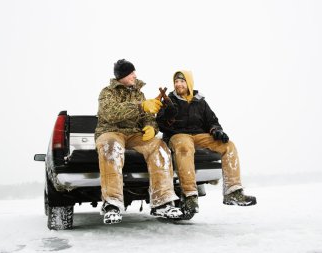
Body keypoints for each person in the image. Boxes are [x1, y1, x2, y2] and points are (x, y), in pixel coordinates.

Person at [156, 70, 257, 217]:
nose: (178, 84)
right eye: (176, 82)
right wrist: (167, 114)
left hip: (199, 135)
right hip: (178, 135)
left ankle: (233, 192)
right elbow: (160, 123)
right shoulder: (169, 100)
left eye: (182, 81)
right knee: (185, 147)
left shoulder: (200, 101)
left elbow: (212, 121)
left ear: (189, 83)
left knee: (229, 146)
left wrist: (216, 130)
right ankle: (190, 195)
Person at [95, 59, 182, 224]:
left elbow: (148, 116)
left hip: (134, 135)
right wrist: (140, 107)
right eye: (131, 73)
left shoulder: (139, 94)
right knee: (111, 148)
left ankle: (162, 202)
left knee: (160, 147)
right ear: (122, 75)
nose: (135, 75)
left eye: (134, 72)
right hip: (111, 132)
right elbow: (110, 113)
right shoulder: (107, 92)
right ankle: (112, 204)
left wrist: (151, 127)